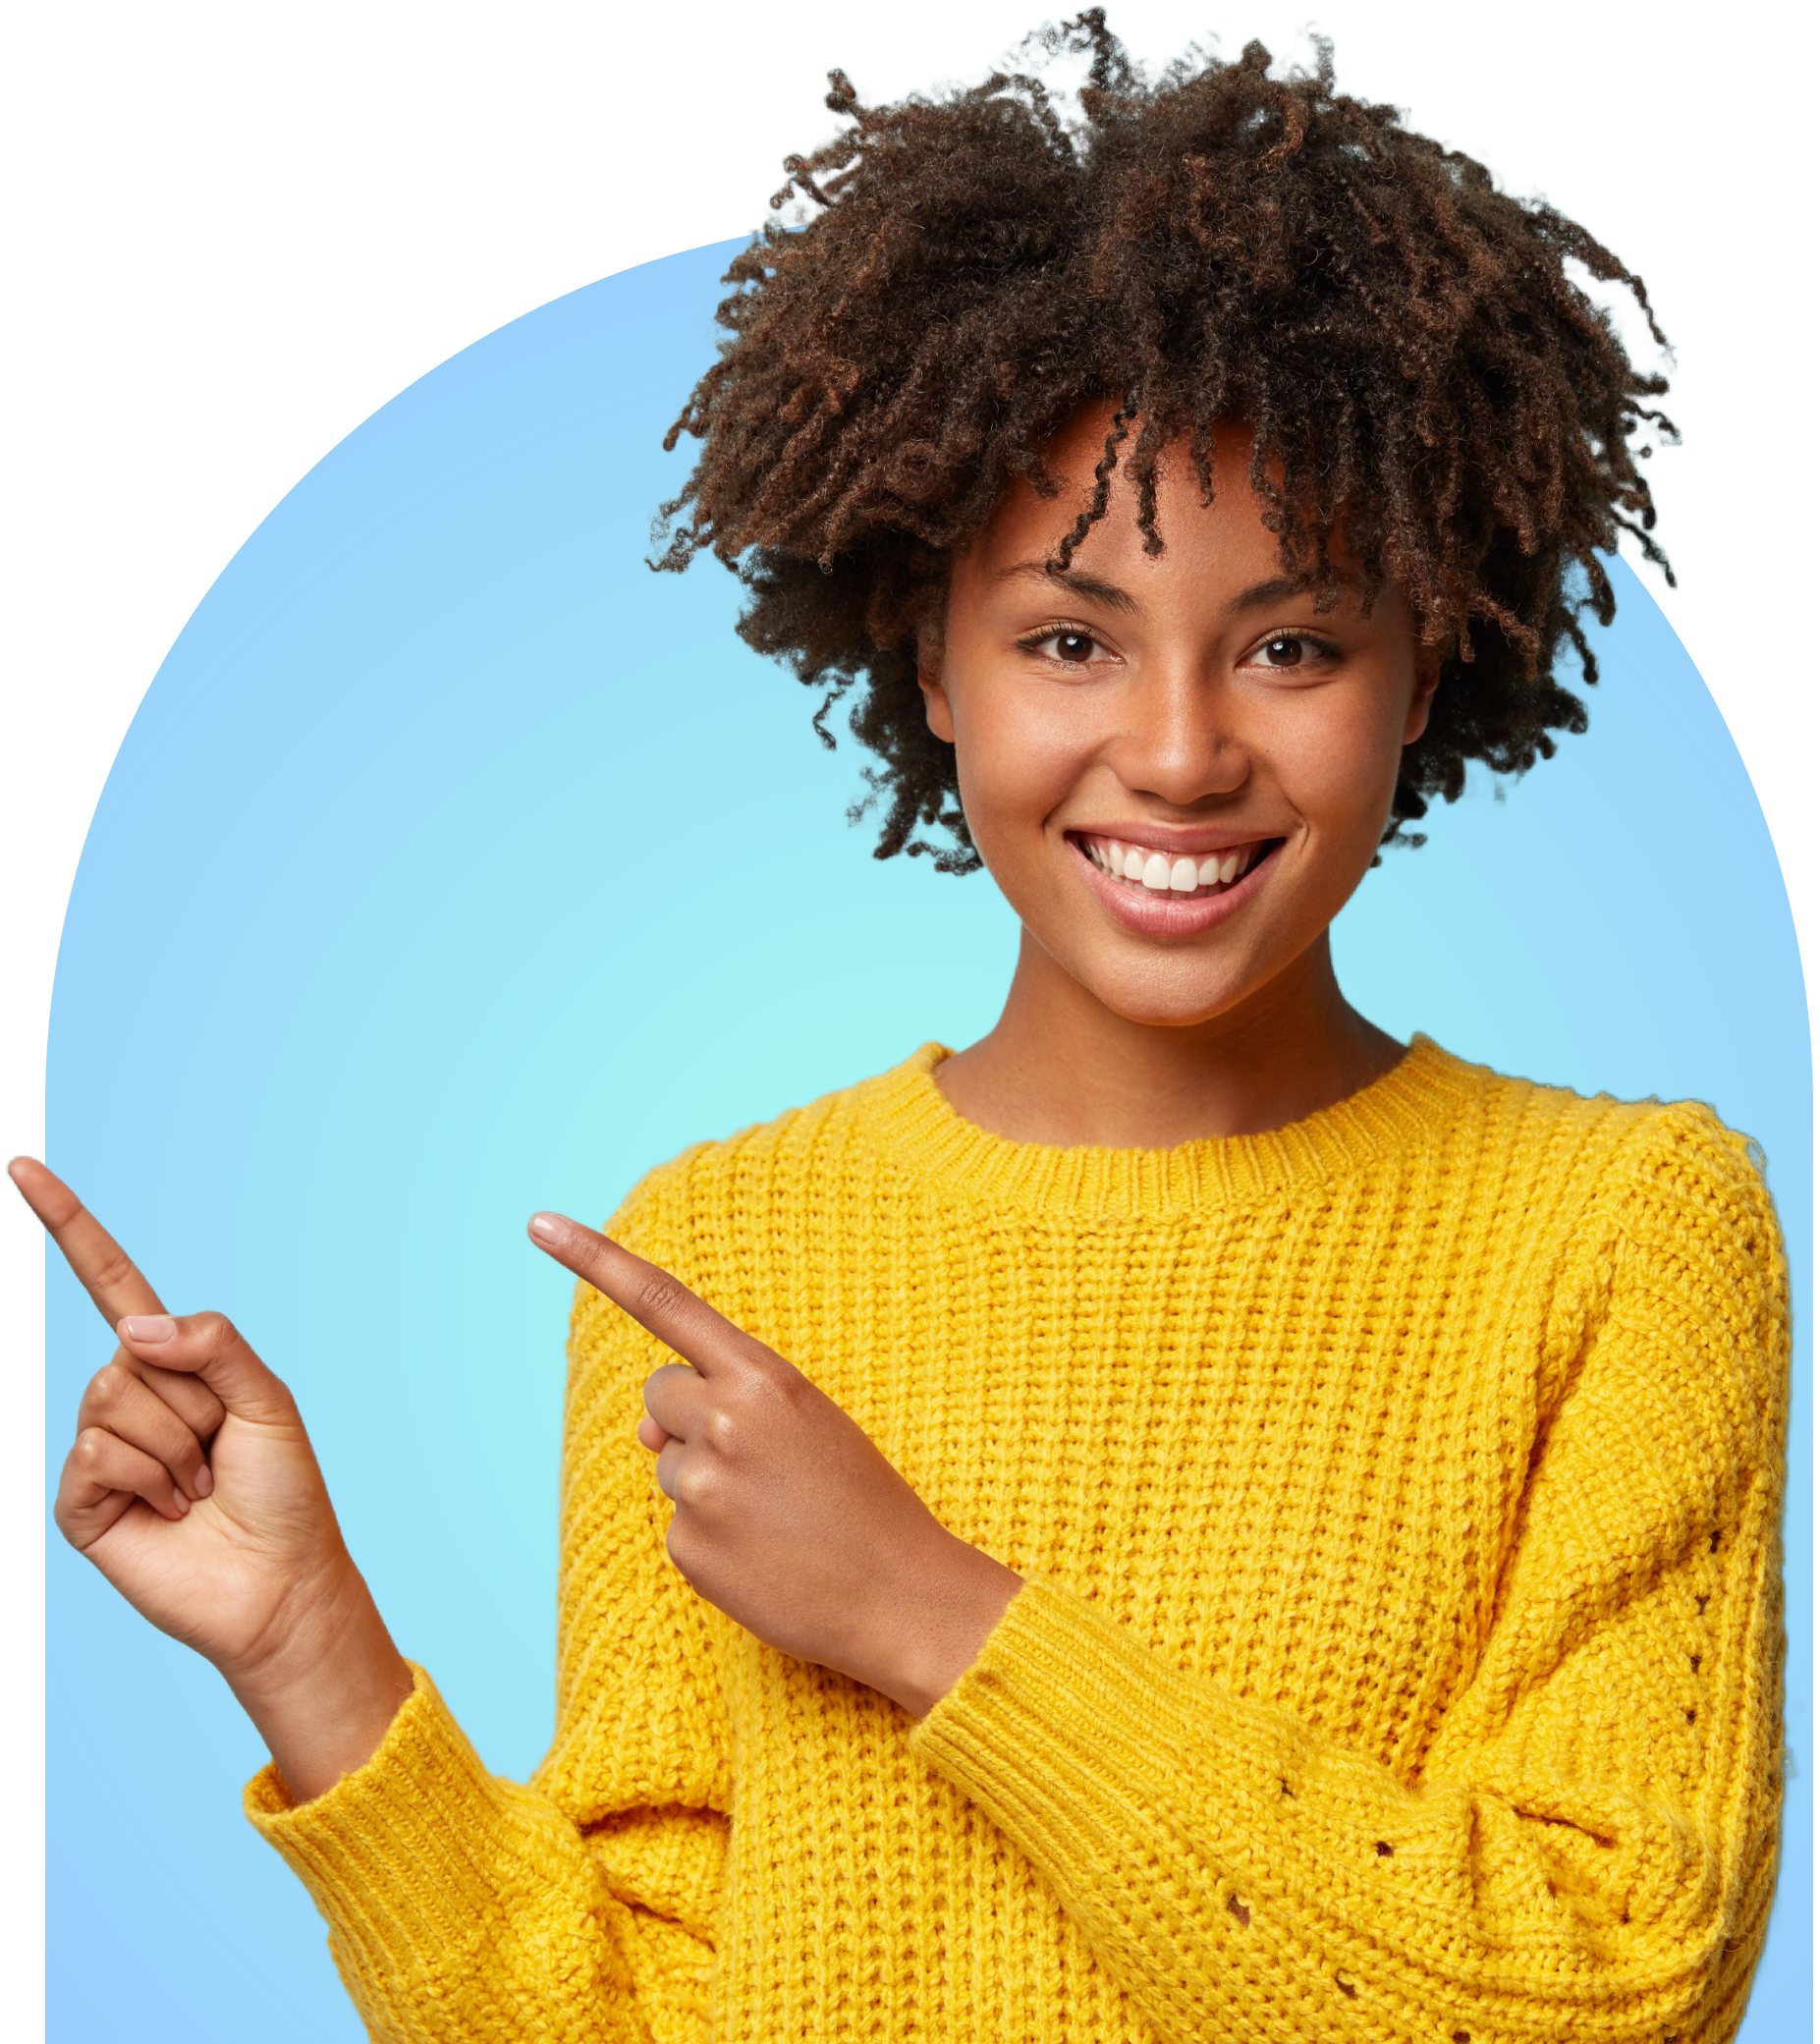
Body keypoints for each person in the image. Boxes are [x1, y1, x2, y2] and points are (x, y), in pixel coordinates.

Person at [20, 18, 1788, 2042]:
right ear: (924, 654)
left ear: (1421, 665)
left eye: (1290, 642)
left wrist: (924, 1611)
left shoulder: (1623, 1232)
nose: (1181, 747)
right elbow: (635, 2015)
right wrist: (307, 1644)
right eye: (1065, 639)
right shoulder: (719, 1255)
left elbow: (1610, 1982)